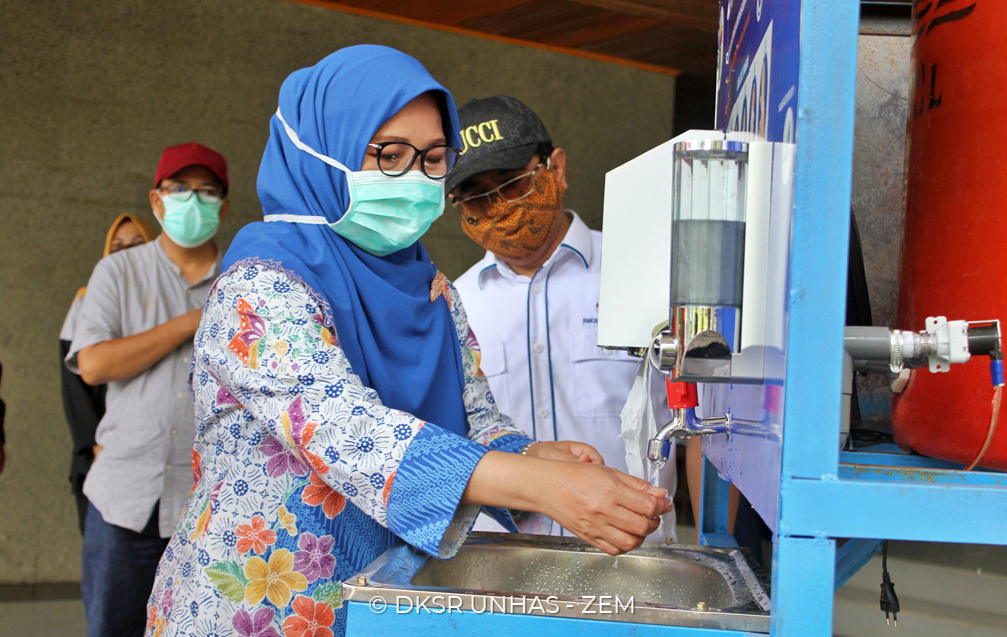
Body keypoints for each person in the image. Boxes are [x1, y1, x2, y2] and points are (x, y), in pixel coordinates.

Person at [144, 45, 671, 637]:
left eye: (433, 158)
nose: (416, 178)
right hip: (259, 608)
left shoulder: (431, 289)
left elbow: (475, 419)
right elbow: (348, 432)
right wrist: (541, 486)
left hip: (388, 599)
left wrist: (529, 456)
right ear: (320, 152)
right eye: (389, 155)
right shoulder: (260, 284)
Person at [445, 95, 677, 539]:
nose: (499, 207)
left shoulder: (645, 274)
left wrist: (711, 540)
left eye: (512, 184)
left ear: (557, 168)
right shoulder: (455, 304)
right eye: (475, 196)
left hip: (635, 549)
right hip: (499, 558)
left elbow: (704, 419)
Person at [65, 142, 230, 637]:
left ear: (223, 206)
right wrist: (189, 323)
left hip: (212, 503)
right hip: (125, 498)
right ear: (157, 200)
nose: (193, 201)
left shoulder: (241, 278)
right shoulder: (118, 271)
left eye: (207, 191)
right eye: (180, 189)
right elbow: (93, 364)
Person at [60, 213, 157, 534]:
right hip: (104, 454)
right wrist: (93, 443)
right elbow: (75, 385)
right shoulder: (87, 301)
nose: (126, 253)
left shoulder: (172, 303)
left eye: (137, 244)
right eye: (118, 247)